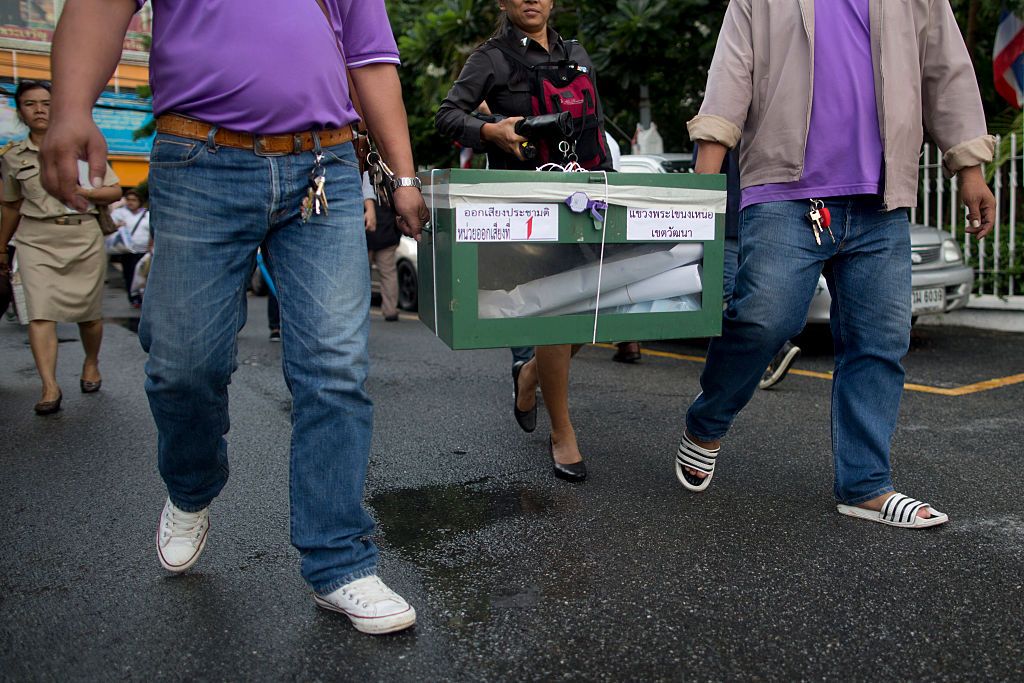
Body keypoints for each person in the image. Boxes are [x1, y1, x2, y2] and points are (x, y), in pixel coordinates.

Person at [42, 0, 428, 634]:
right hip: (198, 161)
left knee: (335, 368)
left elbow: (371, 59)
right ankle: (193, 485)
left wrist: (403, 176)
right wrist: (69, 110)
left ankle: (340, 562)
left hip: (322, 166)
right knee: (182, 365)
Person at [678, 0, 995, 528]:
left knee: (880, 341)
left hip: (881, 198)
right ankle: (707, 421)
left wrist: (970, 168)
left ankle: (865, 486)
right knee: (763, 319)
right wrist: (706, 186)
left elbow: (946, 70)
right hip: (783, 192)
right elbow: (731, 75)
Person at [436, 0, 613, 482]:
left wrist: (613, 187)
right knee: (557, 314)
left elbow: (594, 127)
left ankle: (531, 373)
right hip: (527, 207)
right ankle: (563, 432)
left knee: (597, 310)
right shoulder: (490, 57)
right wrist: (489, 130)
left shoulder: (577, 53)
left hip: (588, 196)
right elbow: (448, 116)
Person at [0, 80, 121, 415]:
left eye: (46, 102)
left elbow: (114, 191)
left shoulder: (84, 148)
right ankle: (49, 386)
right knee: (39, 313)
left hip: (82, 235)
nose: (39, 109)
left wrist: (83, 191)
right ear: (20, 111)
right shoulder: (12, 157)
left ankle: (91, 362)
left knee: (89, 315)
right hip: (35, 238)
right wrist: (0, 250)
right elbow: (10, 206)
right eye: (30, 103)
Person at [362, 170, 400, 322]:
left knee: (362, 275)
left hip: (366, 234)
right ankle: (390, 309)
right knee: (388, 273)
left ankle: (360, 311)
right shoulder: (389, 179)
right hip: (387, 235)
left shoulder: (363, 175)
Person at [105, 188, 149, 307]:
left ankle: (143, 297)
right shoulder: (120, 213)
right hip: (128, 251)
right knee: (129, 275)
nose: (131, 202)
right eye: (128, 200)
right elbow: (108, 226)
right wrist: (118, 225)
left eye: (134, 200)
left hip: (144, 251)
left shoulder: (147, 215)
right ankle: (133, 298)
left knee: (143, 276)